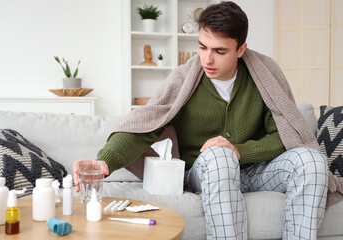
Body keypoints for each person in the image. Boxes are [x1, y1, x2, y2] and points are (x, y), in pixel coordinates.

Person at [74, 1, 328, 239]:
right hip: (204, 171)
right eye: (202, 47)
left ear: (241, 49)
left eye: (219, 51)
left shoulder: (263, 75)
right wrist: (104, 161)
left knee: (312, 160)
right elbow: (144, 126)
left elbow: (286, 137)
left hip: (255, 171)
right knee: (219, 154)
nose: (207, 59)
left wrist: (239, 150)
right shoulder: (184, 79)